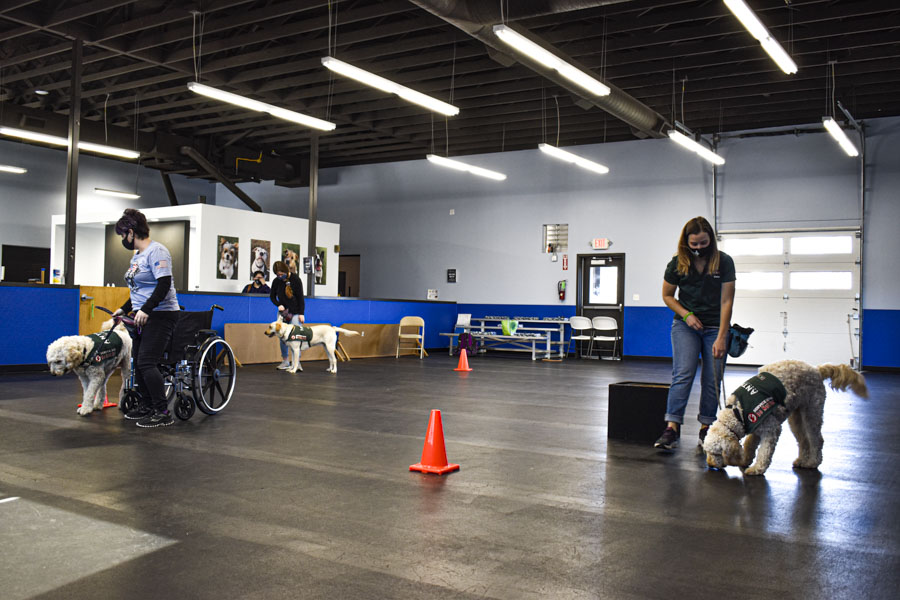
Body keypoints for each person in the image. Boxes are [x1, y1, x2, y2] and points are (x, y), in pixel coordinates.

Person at [654, 216, 735, 450]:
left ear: (710, 239)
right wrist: (687, 315)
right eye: (694, 244)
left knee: (712, 379)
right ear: (686, 242)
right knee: (683, 374)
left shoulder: (724, 262)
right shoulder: (677, 263)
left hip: (714, 328)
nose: (699, 248)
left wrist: (722, 337)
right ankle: (672, 428)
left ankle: (706, 428)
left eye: (703, 243)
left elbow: (727, 301)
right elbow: (667, 296)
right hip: (685, 326)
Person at [113, 208, 181, 428]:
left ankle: (162, 411)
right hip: (143, 315)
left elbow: (163, 285)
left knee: (147, 362)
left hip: (162, 315)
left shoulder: (157, 252)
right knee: (138, 362)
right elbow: (138, 289)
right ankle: (148, 405)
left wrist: (147, 309)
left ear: (132, 232)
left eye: (123, 234)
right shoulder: (138, 256)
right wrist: (124, 309)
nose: (123, 239)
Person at [269, 260, 305, 370]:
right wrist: (278, 304)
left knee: (295, 337)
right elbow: (272, 296)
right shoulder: (276, 281)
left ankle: (297, 363)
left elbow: (300, 298)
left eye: (281, 274)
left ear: (286, 271)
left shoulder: (296, 280)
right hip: (283, 313)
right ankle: (285, 361)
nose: (280, 276)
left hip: (295, 313)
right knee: (282, 338)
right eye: (277, 275)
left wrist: (301, 313)